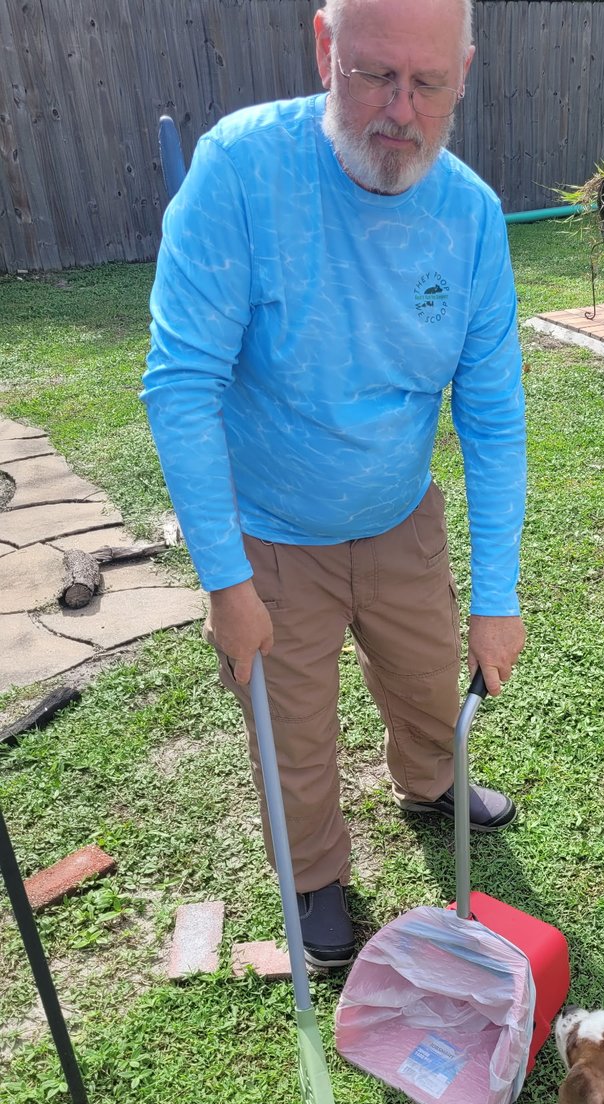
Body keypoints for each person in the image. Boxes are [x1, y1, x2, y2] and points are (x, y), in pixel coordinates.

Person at [141, 0, 527, 971]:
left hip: (399, 518)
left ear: (463, 75)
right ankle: (314, 872)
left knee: (427, 676)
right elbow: (180, 386)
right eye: (371, 74)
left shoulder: (472, 217)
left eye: (427, 83)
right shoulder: (239, 171)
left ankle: (432, 780)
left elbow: (491, 416)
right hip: (271, 532)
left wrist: (498, 596)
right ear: (325, 50)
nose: (399, 109)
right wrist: (226, 584)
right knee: (293, 734)